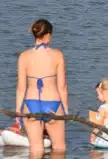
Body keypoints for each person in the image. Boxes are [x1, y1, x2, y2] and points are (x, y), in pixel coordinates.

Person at [16, 19, 68, 156]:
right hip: (53, 104)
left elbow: (21, 88)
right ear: (48, 35)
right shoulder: (57, 55)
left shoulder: (24, 56)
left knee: (36, 149)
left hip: (31, 104)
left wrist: (18, 112)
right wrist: (66, 109)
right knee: (59, 149)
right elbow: (62, 86)